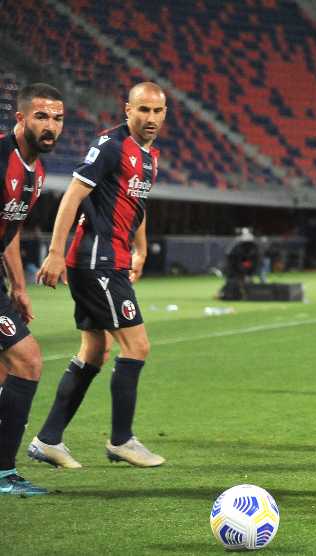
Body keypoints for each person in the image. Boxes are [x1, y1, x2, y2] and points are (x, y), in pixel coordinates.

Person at [28, 82, 167, 469]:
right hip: (97, 260)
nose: (150, 118)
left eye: (157, 112)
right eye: (143, 110)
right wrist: (55, 252)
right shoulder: (110, 145)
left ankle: (48, 439)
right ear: (128, 110)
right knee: (136, 346)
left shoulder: (149, 155)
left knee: (94, 350)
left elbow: (135, 204)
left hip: (114, 259)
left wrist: (140, 248)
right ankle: (122, 440)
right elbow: (72, 195)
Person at [0, 83, 64, 496]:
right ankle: (4, 474)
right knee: (27, 359)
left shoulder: (34, 172)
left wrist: (19, 288)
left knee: (6, 369)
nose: (50, 126)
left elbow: (10, 230)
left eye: (57, 118)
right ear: (20, 118)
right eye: (41, 116)